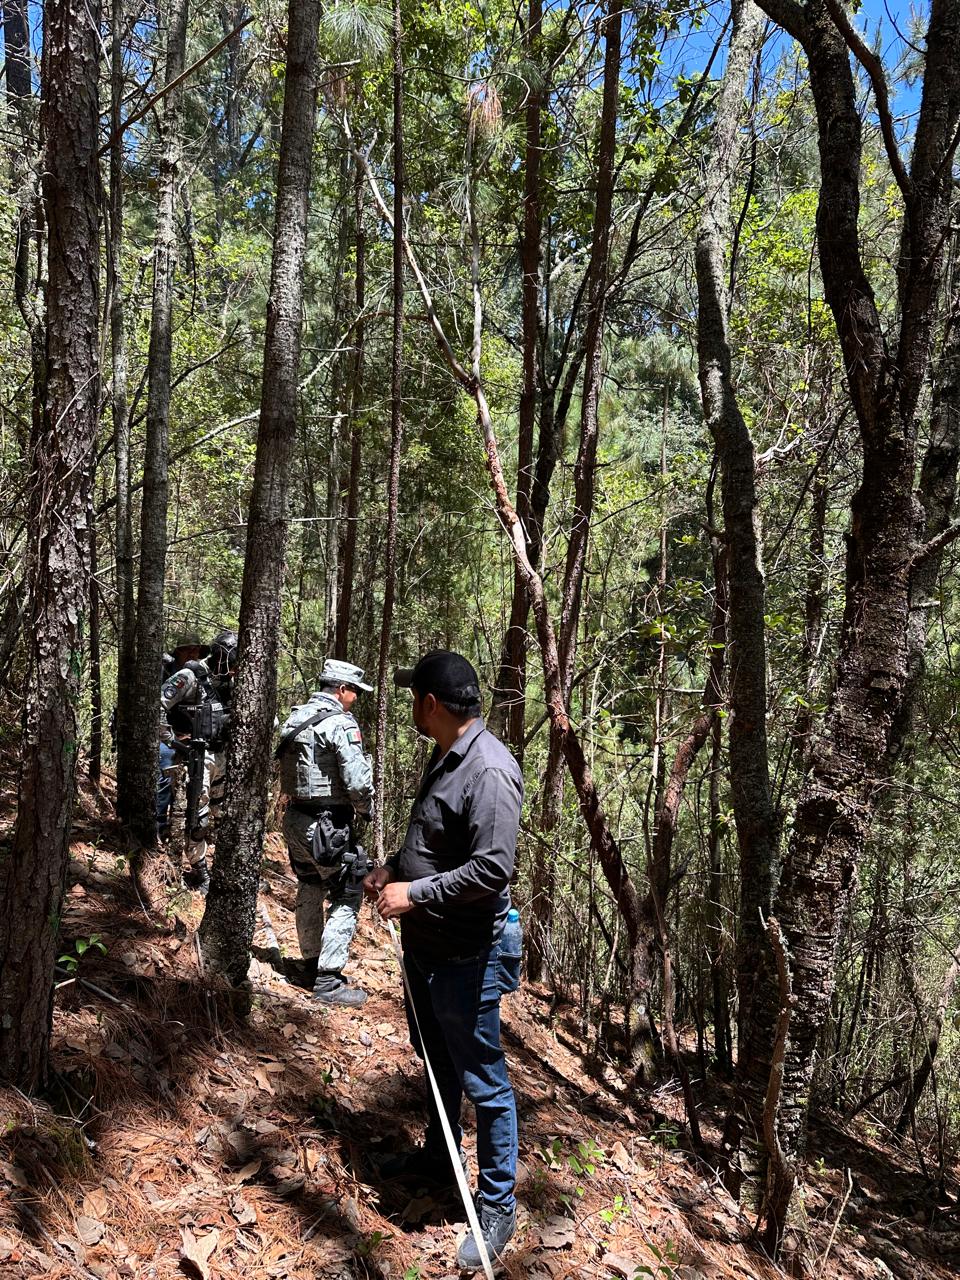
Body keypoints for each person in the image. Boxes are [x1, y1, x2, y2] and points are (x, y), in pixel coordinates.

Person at [364, 650, 523, 1270]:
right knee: (436, 1061)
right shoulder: (445, 757)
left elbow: (492, 868)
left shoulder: (487, 771)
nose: (409, 703)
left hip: (469, 955)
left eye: (413, 694)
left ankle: (497, 1203)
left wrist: (415, 893)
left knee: (484, 1079)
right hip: (427, 949)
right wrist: (394, 872)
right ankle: (439, 1156)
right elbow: (435, 842)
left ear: (432, 704)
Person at [277, 658, 375, 1007]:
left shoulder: (295, 716)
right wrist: (366, 812)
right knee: (347, 893)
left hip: (295, 820)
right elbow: (358, 782)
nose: (356, 699)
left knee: (309, 884)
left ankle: (309, 964)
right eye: (355, 693)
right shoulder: (340, 724)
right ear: (341, 689)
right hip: (327, 826)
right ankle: (329, 979)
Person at [160, 632, 235, 892]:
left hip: (223, 758)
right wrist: (170, 739)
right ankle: (199, 871)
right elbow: (158, 704)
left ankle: (224, 870)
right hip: (195, 756)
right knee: (196, 817)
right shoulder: (190, 676)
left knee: (224, 815)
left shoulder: (235, 684)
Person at [157, 632, 209, 841]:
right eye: (188, 649)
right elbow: (159, 704)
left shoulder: (199, 675)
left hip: (191, 740)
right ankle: (158, 828)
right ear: (178, 651)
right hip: (166, 738)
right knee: (163, 782)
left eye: (196, 650)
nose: (193, 653)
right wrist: (169, 738)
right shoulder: (170, 673)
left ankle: (181, 829)